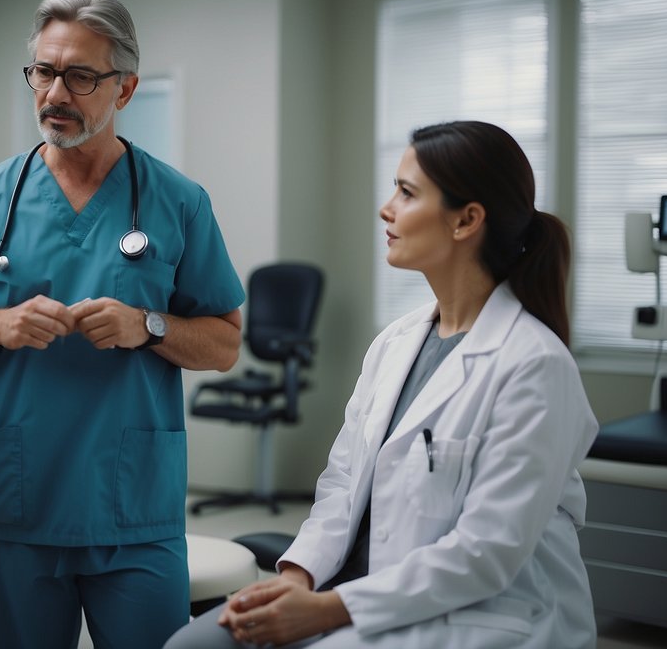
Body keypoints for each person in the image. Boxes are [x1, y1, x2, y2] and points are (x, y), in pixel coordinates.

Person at [165, 121, 598, 649]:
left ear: (466, 220)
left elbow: (488, 551)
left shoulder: (535, 366)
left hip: (477, 616)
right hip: (355, 590)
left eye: (407, 192)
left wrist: (325, 610)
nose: (386, 208)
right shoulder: (397, 343)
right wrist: (296, 579)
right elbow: (342, 485)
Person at [0, 0, 247, 649]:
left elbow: (225, 343)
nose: (55, 93)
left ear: (125, 89)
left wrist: (146, 326)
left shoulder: (177, 202)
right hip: (18, 502)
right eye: (43, 71)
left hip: (132, 510)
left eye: (80, 76)